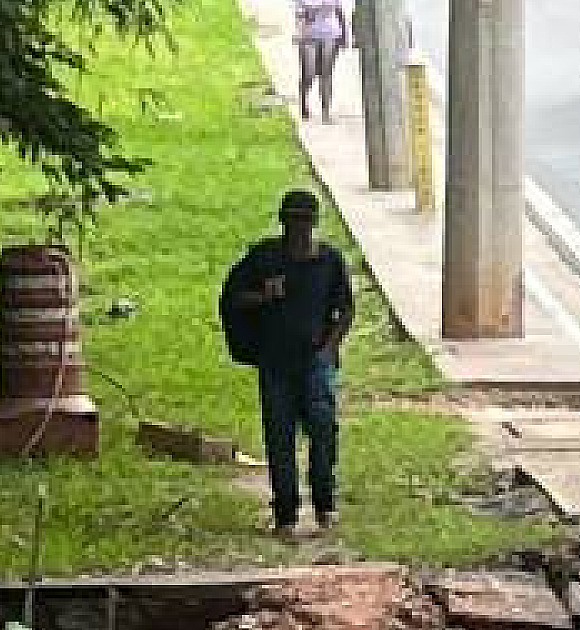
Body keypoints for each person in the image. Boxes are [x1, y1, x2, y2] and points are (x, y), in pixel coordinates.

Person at [231, 190, 354, 537]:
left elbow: (345, 309)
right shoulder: (263, 258)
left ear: (314, 223)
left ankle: (325, 504)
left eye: (304, 220)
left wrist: (330, 347)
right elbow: (233, 299)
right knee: (280, 437)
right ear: (282, 221)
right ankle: (286, 512)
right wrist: (262, 296)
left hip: (316, 360)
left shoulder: (329, 261)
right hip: (275, 362)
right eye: (292, 220)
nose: (298, 228)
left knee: (323, 430)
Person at [294, 0, 347, 122]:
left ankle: (326, 110)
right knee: (309, 73)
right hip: (309, 36)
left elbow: (339, 10)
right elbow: (299, 16)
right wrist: (300, 32)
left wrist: (344, 34)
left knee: (326, 73)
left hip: (331, 34)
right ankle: (303, 101)